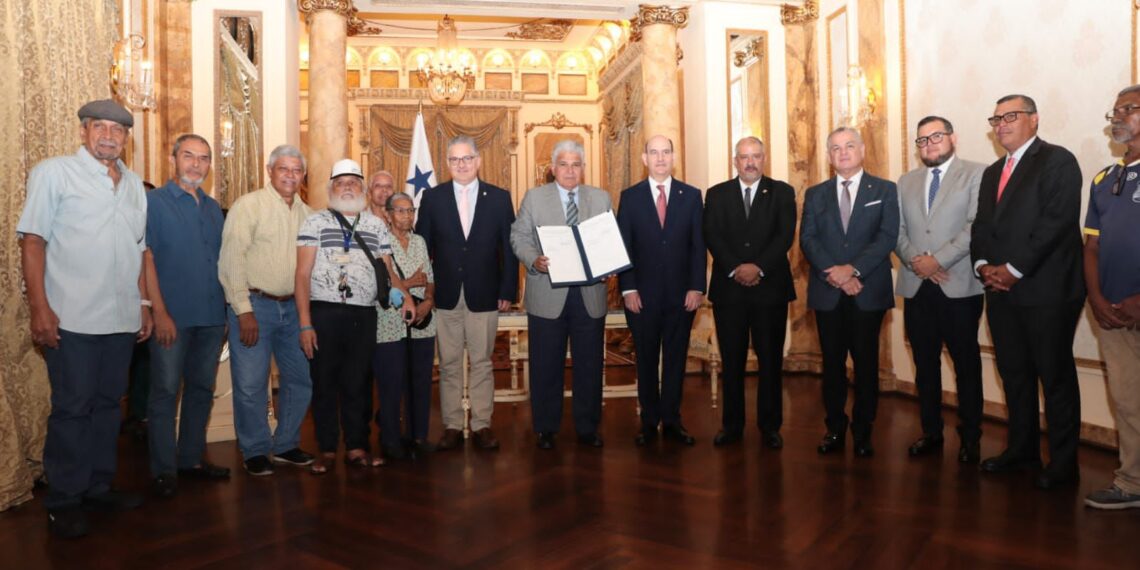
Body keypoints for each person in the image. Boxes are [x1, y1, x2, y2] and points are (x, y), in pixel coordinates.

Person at [18, 99, 152, 538]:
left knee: (109, 407)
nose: (110, 136)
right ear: (83, 132)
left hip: (120, 320)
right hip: (70, 317)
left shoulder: (134, 185)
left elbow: (137, 250)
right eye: (100, 127)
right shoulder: (53, 173)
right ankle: (64, 499)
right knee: (72, 409)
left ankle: (97, 486)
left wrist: (144, 306)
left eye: (118, 130)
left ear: (126, 139)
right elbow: (33, 241)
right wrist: (40, 308)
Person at [970, 94, 1086, 490]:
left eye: (1011, 116)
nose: (1001, 124)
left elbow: (1056, 223)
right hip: (1000, 291)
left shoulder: (1058, 161)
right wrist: (983, 266)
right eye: (996, 118)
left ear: (1034, 120)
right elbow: (982, 227)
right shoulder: (991, 172)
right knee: (1014, 375)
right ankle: (1022, 450)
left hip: (1048, 290)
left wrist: (1015, 270)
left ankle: (1064, 463)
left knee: (1054, 378)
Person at [295, 158, 412, 474]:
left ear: (362, 189)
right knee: (324, 383)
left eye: (353, 182)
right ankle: (327, 449)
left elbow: (389, 269)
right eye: (340, 182)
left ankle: (358, 446)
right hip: (323, 313)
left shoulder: (375, 225)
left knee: (358, 382)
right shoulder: (314, 222)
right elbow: (302, 275)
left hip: (364, 314)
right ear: (331, 188)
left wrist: (407, 297)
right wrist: (305, 323)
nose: (347, 187)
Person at [800, 126, 899, 458]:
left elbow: (886, 237)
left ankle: (863, 430)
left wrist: (852, 270)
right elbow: (808, 240)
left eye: (849, 146)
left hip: (866, 290)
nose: (842, 152)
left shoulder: (884, 190)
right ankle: (835, 428)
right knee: (832, 366)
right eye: (836, 148)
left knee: (866, 365)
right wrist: (837, 274)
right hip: (828, 293)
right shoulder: (815, 194)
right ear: (829, 156)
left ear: (862, 150)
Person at [415, 135, 518, 451]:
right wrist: (424, 294)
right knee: (448, 363)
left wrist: (507, 290)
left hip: (485, 294)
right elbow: (422, 249)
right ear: (447, 164)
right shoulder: (433, 198)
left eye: (467, 158)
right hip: (444, 296)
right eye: (455, 160)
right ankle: (452, 425)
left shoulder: (499, 198)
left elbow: (509, 250)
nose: (461, 165)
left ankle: (482, 424)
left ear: (478, 161)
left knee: (483, 362)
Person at [218, 145, 316, 476]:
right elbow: (231, 259)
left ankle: (286, 444)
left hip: (294, 309)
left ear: (303, 176)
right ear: (269, 171)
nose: (290, 175)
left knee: (301, 379)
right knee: (250, 383)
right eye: (283, 169)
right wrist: (243, 309)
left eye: (296, 170)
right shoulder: (249, 207)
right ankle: (256, 449)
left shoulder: (309, 215)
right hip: (255, 306)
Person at [894, 117, 986, 463]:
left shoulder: (976, 174)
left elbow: (976, 224)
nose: (929, 144)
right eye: (922, 140)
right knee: (925, 364)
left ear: (953, 138)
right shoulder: (906, 181)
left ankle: (970, 437)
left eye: (936, 137)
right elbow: (897, 229)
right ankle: (931, 431)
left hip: (959, 286)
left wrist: (939, 261)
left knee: (966, 365)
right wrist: (917, 261)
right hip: (917, 286)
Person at [143, 134, 229, 498]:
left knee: (200, 389)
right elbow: (145, 258)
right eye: (189, 156)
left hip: (211, 316)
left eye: (204, 158)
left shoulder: (213, 208)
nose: (196, 164)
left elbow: (223, 263)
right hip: (172, 318)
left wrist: (225, 313)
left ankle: (190, 459)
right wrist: (158, 312)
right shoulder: (153, 203)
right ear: (173, 158)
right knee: (164, 392)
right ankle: (163, 470)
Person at [510, 140, 610, 449]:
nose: (570, 170)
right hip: (547, 294)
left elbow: (611, 238)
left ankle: (587, 427)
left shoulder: (601, 198)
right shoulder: (535, 198)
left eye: (576, 164)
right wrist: (533, 260)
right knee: (545, 365)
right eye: (564, 164)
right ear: (553, 169)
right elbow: (519, 236)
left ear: (583, 168)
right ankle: (546, 428)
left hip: (590, 295)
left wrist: (610, 262)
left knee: (590, 366)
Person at [704, 136, 796, 449]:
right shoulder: (716, 194)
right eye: (744, 157)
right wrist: (736, 267)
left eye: (756, 156)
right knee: (732, 362)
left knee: (771, 361)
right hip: (729, 292)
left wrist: (757, 267)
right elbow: (712, 235)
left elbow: (784, 236)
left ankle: (770, 426)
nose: (750, 162)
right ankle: (732, 426)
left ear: (764, 158)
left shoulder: (782, 192)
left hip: (770, 290)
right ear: (735, 161)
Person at [617, 135, 706, 447]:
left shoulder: (692, 196)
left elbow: (698, 246)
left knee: (675, 359)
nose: (659, 158)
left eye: (665, 152)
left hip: (682, 297)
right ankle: (648, 421)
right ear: (644, 159)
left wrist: (697, 286)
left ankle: (671, 420)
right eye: (653, 153)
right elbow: (624, 247)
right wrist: (628, 289)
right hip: (642, 296)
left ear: (674, 157)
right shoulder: (630, 197)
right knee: (645, 358)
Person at [1084, 85, 1140, 509]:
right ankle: (1131, 483)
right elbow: (1092, 248)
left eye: (1128, 109)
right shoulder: (1105, 179)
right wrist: (1097, 299)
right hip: (1112, 313)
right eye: (1115, 110)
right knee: (1126, 399)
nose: (1117, 116)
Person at [375, 192, 437, 460]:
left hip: (422, 322)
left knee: (420, 381)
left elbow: (430, 277)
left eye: (410, 210)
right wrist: (410, 283)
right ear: (388, 215)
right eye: (400, 211)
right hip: (389, 322)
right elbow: (384, 284)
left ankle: (418, 435)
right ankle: (390, 439)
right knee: (391, 382)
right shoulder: (379, 241)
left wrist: (430, 300)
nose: (407, 216)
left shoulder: (420, 241)